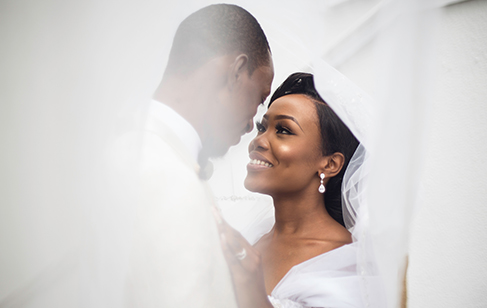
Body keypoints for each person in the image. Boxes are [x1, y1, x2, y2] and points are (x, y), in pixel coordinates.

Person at [114, 4, 274, 307]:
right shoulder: (166, 175)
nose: (254, 120)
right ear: (236, 72)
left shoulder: (136, 148)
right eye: (259, 97)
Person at [213, 72, 368, 308]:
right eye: (262, 127)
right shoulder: (251, 237)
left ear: (330, 164)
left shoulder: (346, 263)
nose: (259, 141)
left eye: (283, 130)